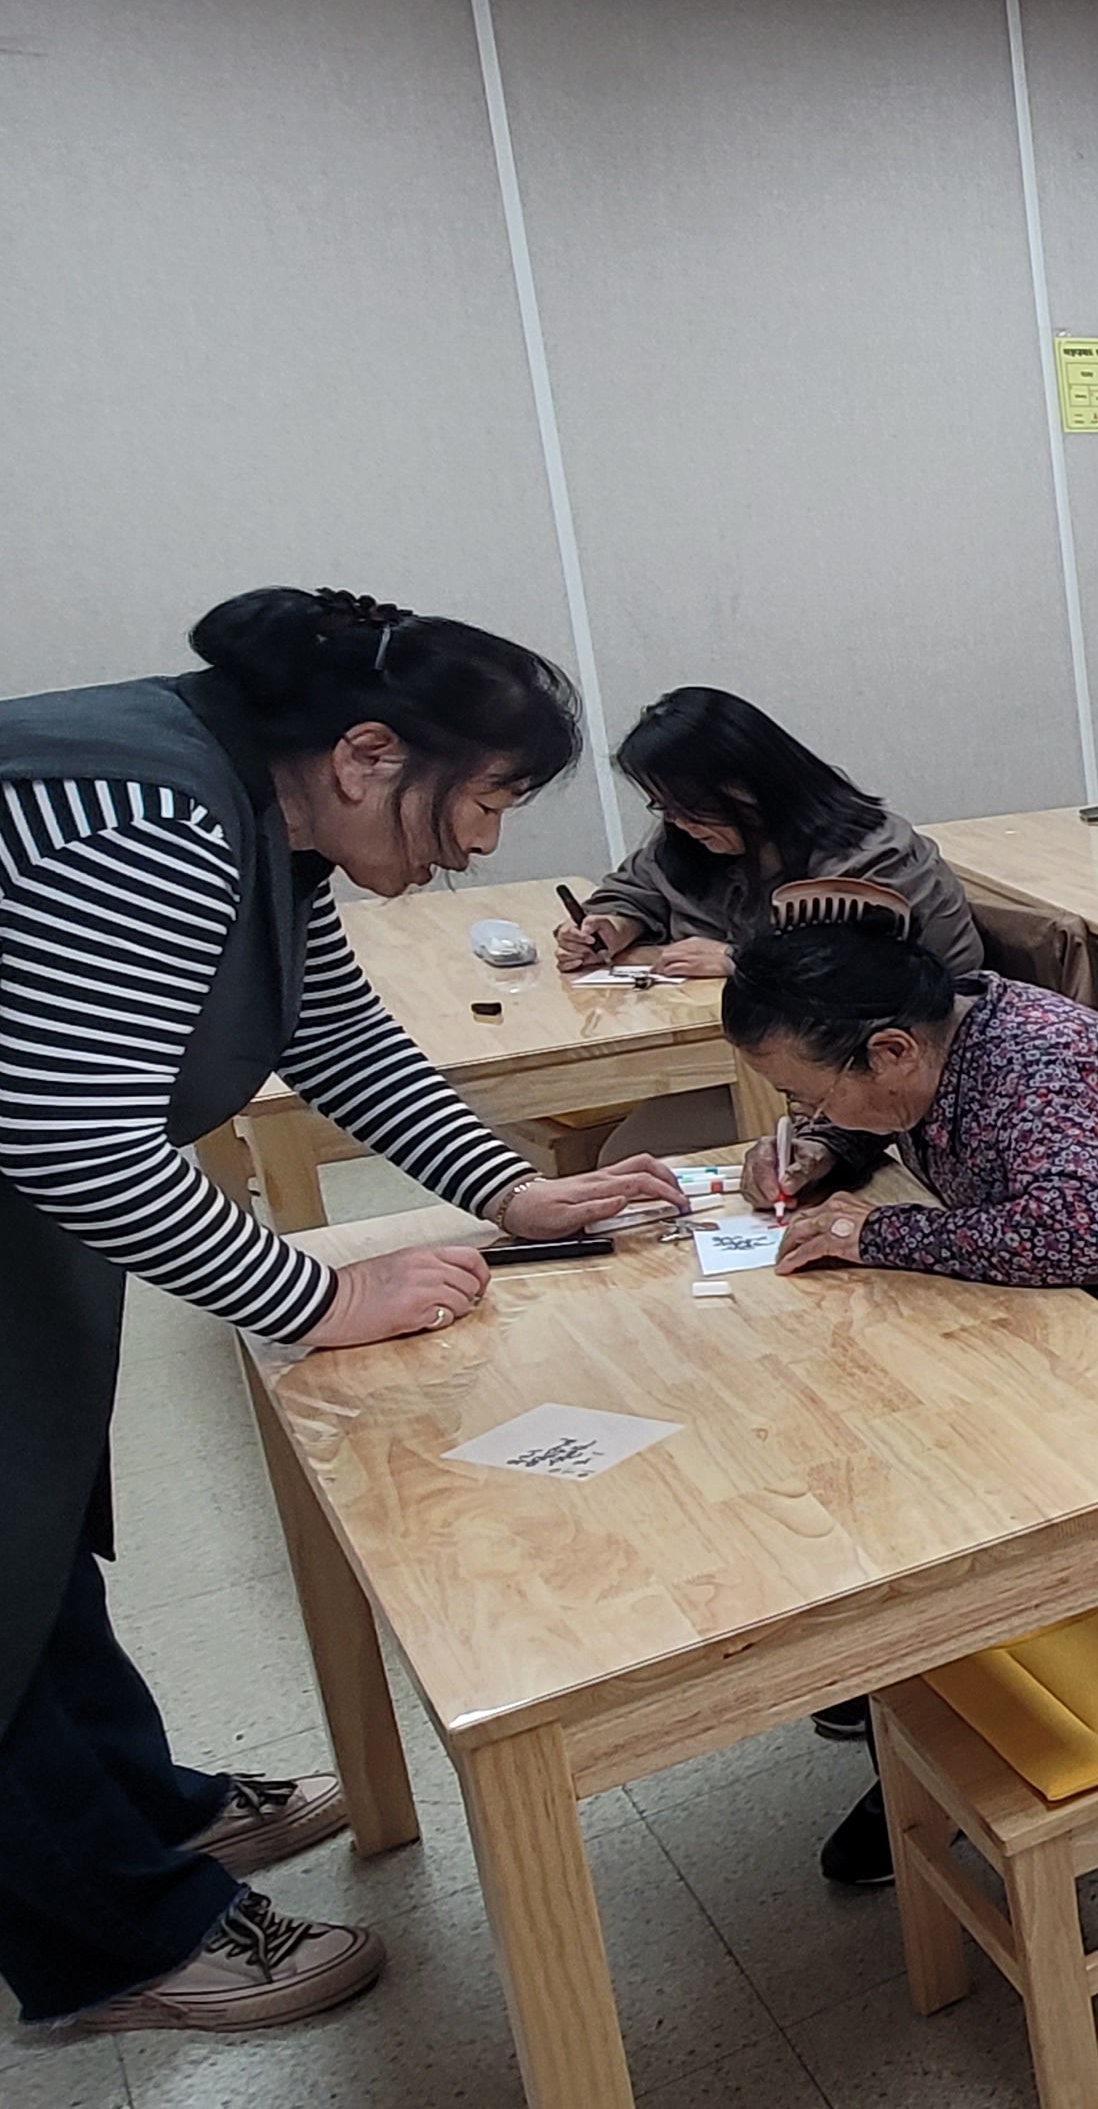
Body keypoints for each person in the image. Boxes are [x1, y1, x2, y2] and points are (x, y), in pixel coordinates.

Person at [0, 589, 683, 2035]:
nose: (481, 845)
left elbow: (333, 1034)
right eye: (487, 800)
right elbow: (75, 1139)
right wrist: (318, 1294)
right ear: (371, 754)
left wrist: (509, 1192)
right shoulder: (151, 817)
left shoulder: (268, 816)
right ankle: (114, 1944)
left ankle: (144, 1808)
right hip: (29, 1180)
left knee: (36, 1533)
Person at [717, 889, 1098, 1886]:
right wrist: (831, 1149)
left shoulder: (1036, 1066)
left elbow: (1082, 1234)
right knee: (869, 1404)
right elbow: (903, 1122)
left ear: (891, 1050)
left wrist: (879, 1232)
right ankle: (903, 1671)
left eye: (810, 1095)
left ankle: (945, 1719)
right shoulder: (936, 1032)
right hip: (1079, 1303)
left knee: (940, 1472)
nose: (804, 1113)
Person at [552, 686, 983, 981]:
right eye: (664, 807)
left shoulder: (873, 856)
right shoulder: (692, 842)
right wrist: (614, 925)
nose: (678, 823)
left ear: (748, 788)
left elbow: (883, 974)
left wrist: (738, 961)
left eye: (690, 807)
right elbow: (637, 889)